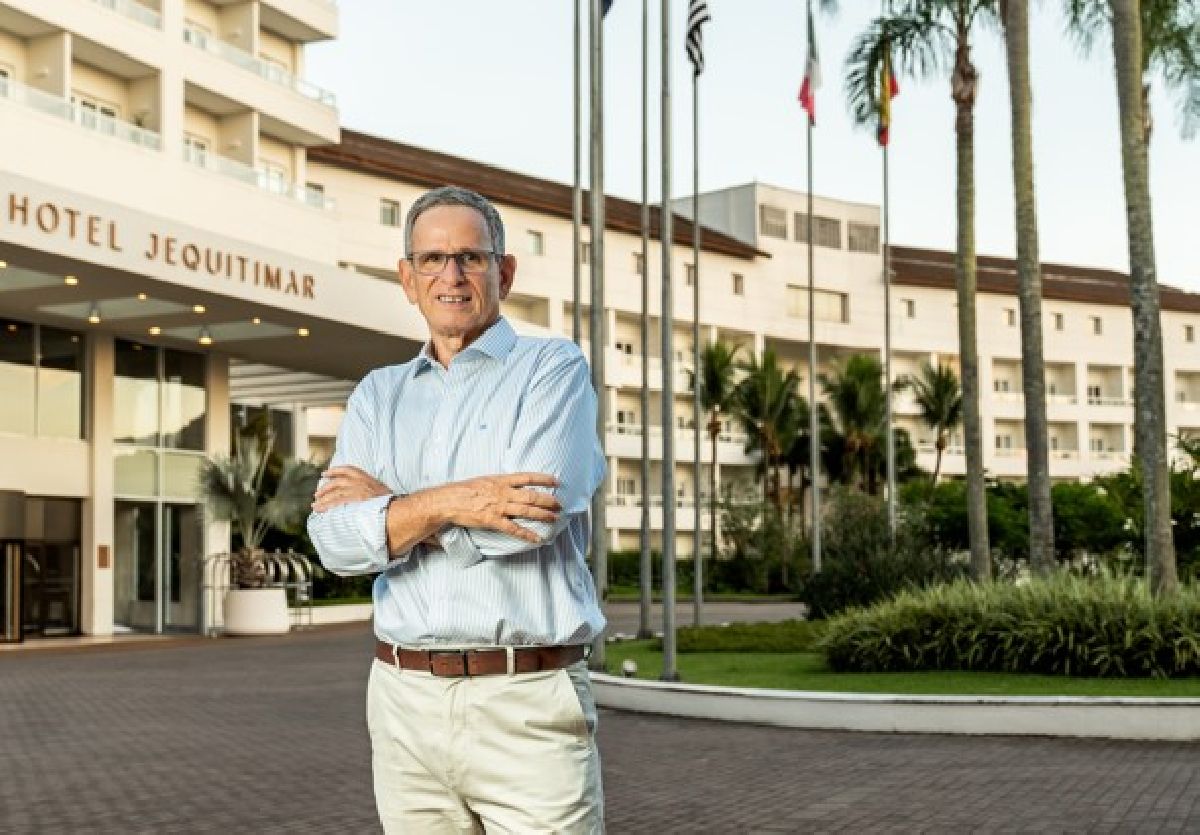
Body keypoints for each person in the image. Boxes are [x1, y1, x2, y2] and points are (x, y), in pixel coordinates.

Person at [307, 185, 607, 833]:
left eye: (471, 257)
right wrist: (464, 501)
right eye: (433, 259)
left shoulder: (553, 370)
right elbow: (334, 541)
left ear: (505, 271)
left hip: (526, 703)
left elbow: (527, 522)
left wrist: (391, 513)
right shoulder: (376, 396)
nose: (451, 275)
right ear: (407, 277)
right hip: (402, 699)